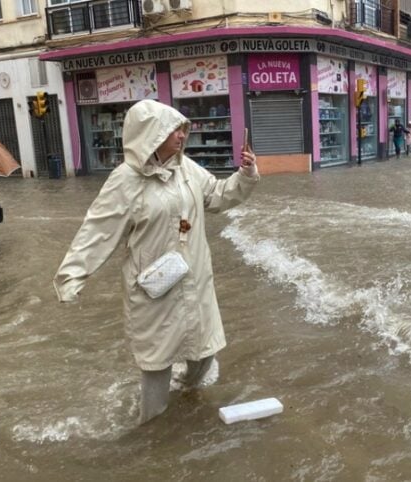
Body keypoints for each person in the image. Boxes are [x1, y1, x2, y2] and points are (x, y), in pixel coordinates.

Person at [53, 99, 259, 425]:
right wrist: (73, 275)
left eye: (182, 129)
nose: (181, 135)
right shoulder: (125, 180)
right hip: (154, 287)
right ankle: (151, 429)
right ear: (151, 134)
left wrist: (245, 175)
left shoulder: (186, 169)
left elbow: (217, 195)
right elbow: (97, 229)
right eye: (173, 129)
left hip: (194, 278)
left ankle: (185, 393)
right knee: (157, 362)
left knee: (204, 352)